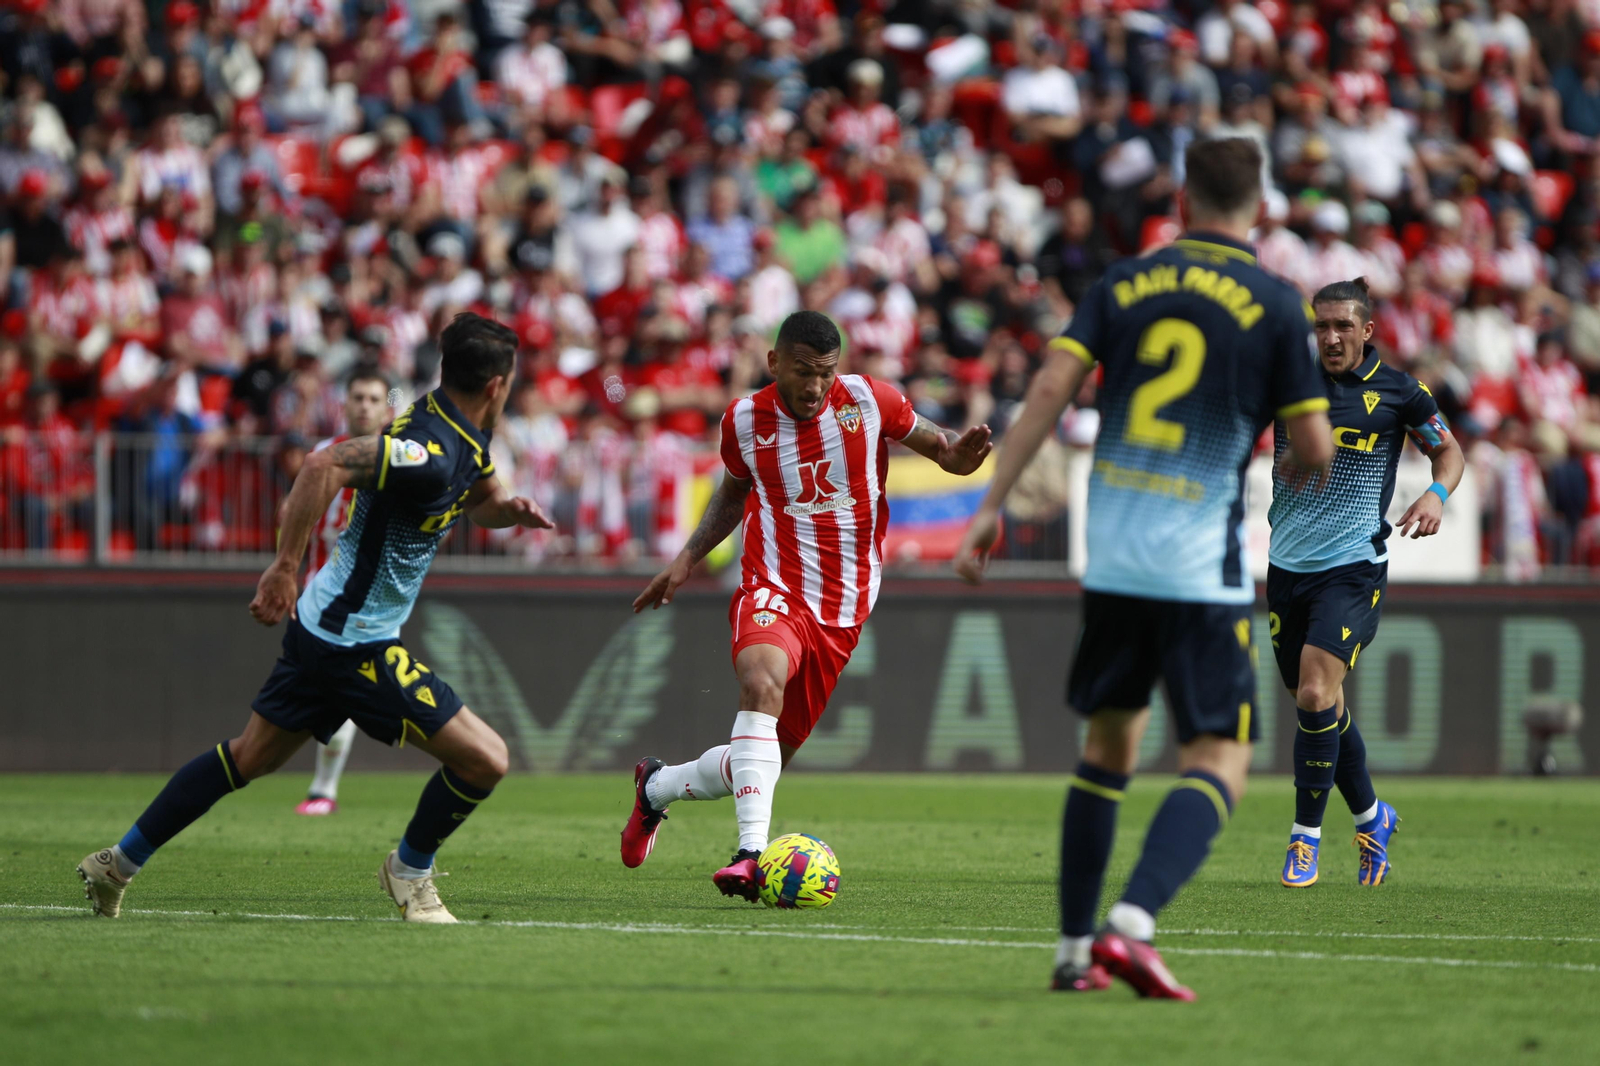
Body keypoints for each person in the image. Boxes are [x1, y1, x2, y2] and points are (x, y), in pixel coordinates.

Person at [953, 138, 1335, 999]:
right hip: (1199, 569)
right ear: (1260, 203)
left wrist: (989, 507)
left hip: (1114, 556)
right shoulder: (1276, 303)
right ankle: (1132, 924)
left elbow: (1050, 387)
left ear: (1183, 197)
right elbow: (1312, 444)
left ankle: (1070, 951)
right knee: (1219, 757)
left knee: (1105, 750)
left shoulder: (1122, 284)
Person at [77, 314, 552, 924]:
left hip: (325, 626)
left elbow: (480, 501)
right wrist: (283, 566)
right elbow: (321, 466)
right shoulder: (426, 449)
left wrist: (507, 510)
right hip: (353, 641)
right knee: (486, 759)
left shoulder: (465, 431)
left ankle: (117, 863)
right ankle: (409, 873)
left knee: (249, 758)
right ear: (497, 384)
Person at [620, 310, 992, 899]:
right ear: (774, 364)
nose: (815, 386)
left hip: (843, 608)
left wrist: (957, 458)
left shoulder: (870, 401)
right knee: (761, 683)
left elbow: (938, 447)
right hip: (773, 584)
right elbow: (734, 492)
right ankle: (749, 856)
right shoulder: (743, 421)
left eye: (825, 373)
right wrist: (687, 558)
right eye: (802, 372)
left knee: (758, 764)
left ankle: (656, 789)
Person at [1269, 278, 1464, 889]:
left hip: (1353, 566)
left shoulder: (1401, 391)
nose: (1329, 337)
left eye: (1341, 327)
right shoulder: (1288, 379)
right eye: (1320, 326)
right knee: (1322, 705)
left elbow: (1449, 452)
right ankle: (1374, 817)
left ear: (1367, 330)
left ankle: (1305, 841)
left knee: (1313, 693)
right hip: (1285, 567)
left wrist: (1435, 493)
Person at [293, 366, 396, 817]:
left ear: (386, 407)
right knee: (314, 691)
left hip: (369, 598)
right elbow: (291, 516)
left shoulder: (400, 460)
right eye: (358, 398)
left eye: (375, 399)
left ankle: (323, 789)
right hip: (318, 589)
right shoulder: (322, 455)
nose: (365, 406)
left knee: (341, 691)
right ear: (345, 403)